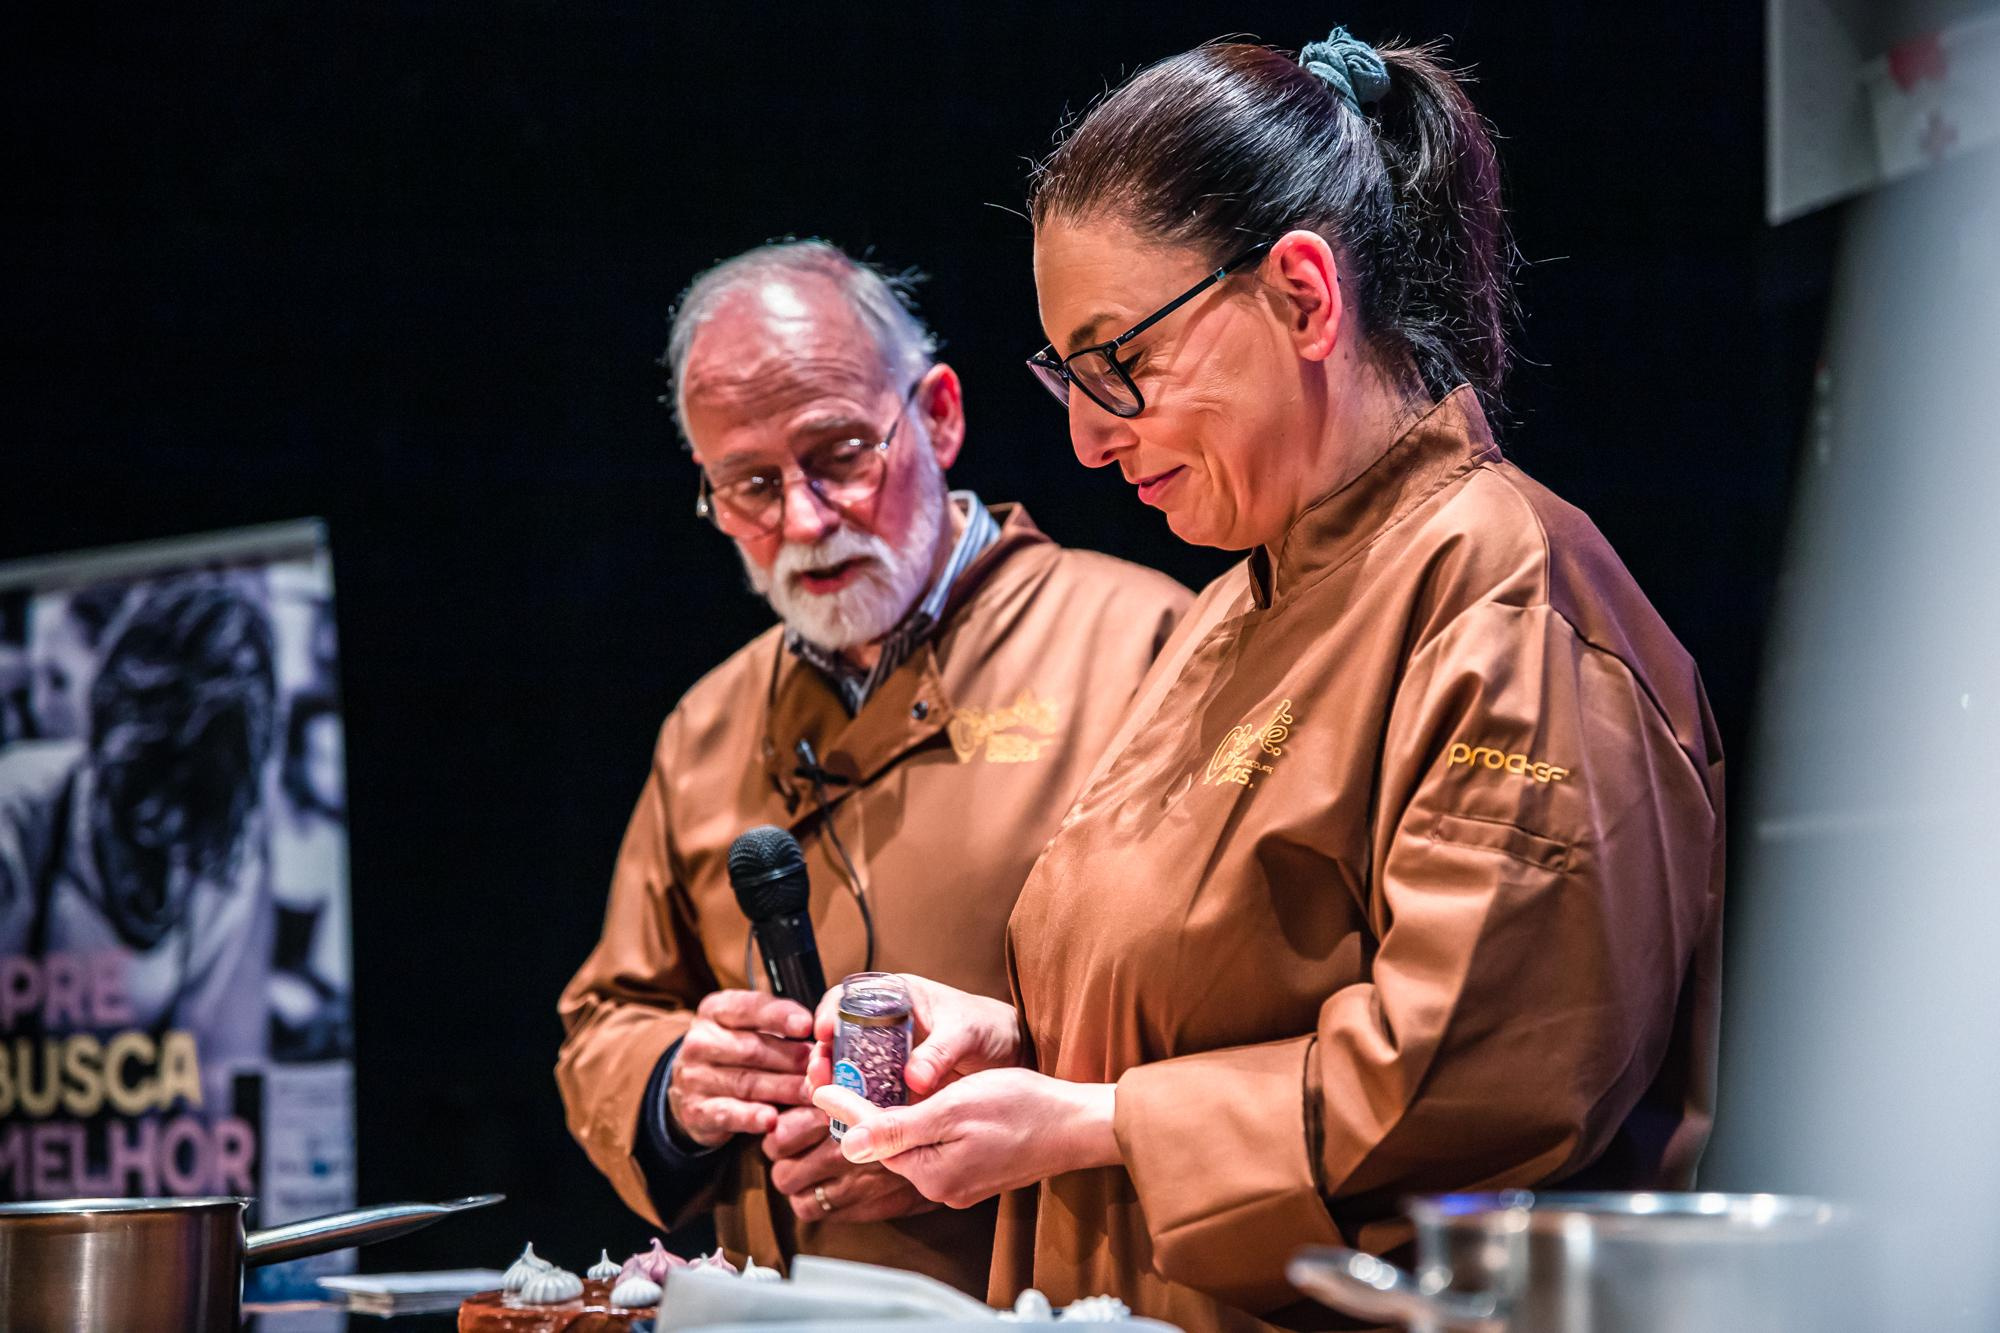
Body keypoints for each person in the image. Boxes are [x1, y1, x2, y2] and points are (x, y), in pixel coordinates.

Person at [811, 27, 1725, 1332]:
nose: (1082, 436)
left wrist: (1094, 1118)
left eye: (1120, 362)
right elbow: (1218, 996)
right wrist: (1018, 1042)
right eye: (1066, 376)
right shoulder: (1234, 605)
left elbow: (1474, 1088)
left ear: (1303, 296)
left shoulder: (1508, 593)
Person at [555, 241, 1191, 1295]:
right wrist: (676, 1081)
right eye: (749, 486)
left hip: (1051, 1290)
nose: (803, 521)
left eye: (840, 454)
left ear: (937, 414)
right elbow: (605, 1018)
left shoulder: (1146, 645)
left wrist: (997, 1105)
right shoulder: (705, 725)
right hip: (779, 1302)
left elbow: (1238, 1022)